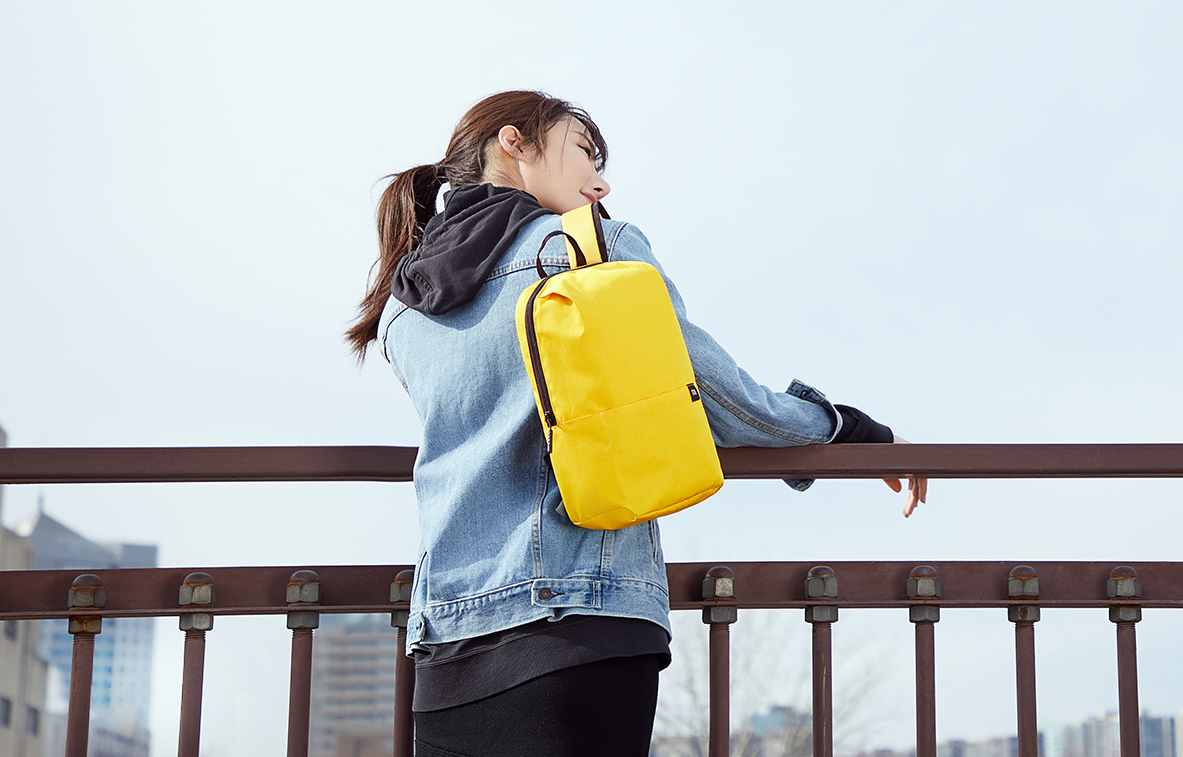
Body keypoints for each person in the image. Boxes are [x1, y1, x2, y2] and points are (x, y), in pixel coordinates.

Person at [347, 90, 926, 757]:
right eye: (583, 151)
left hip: (446, 636)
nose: (600, 182)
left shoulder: (403, 308)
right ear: (513, 143)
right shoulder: (594, 249)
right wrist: (851, 431)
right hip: (579, 622)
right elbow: (714, 397)